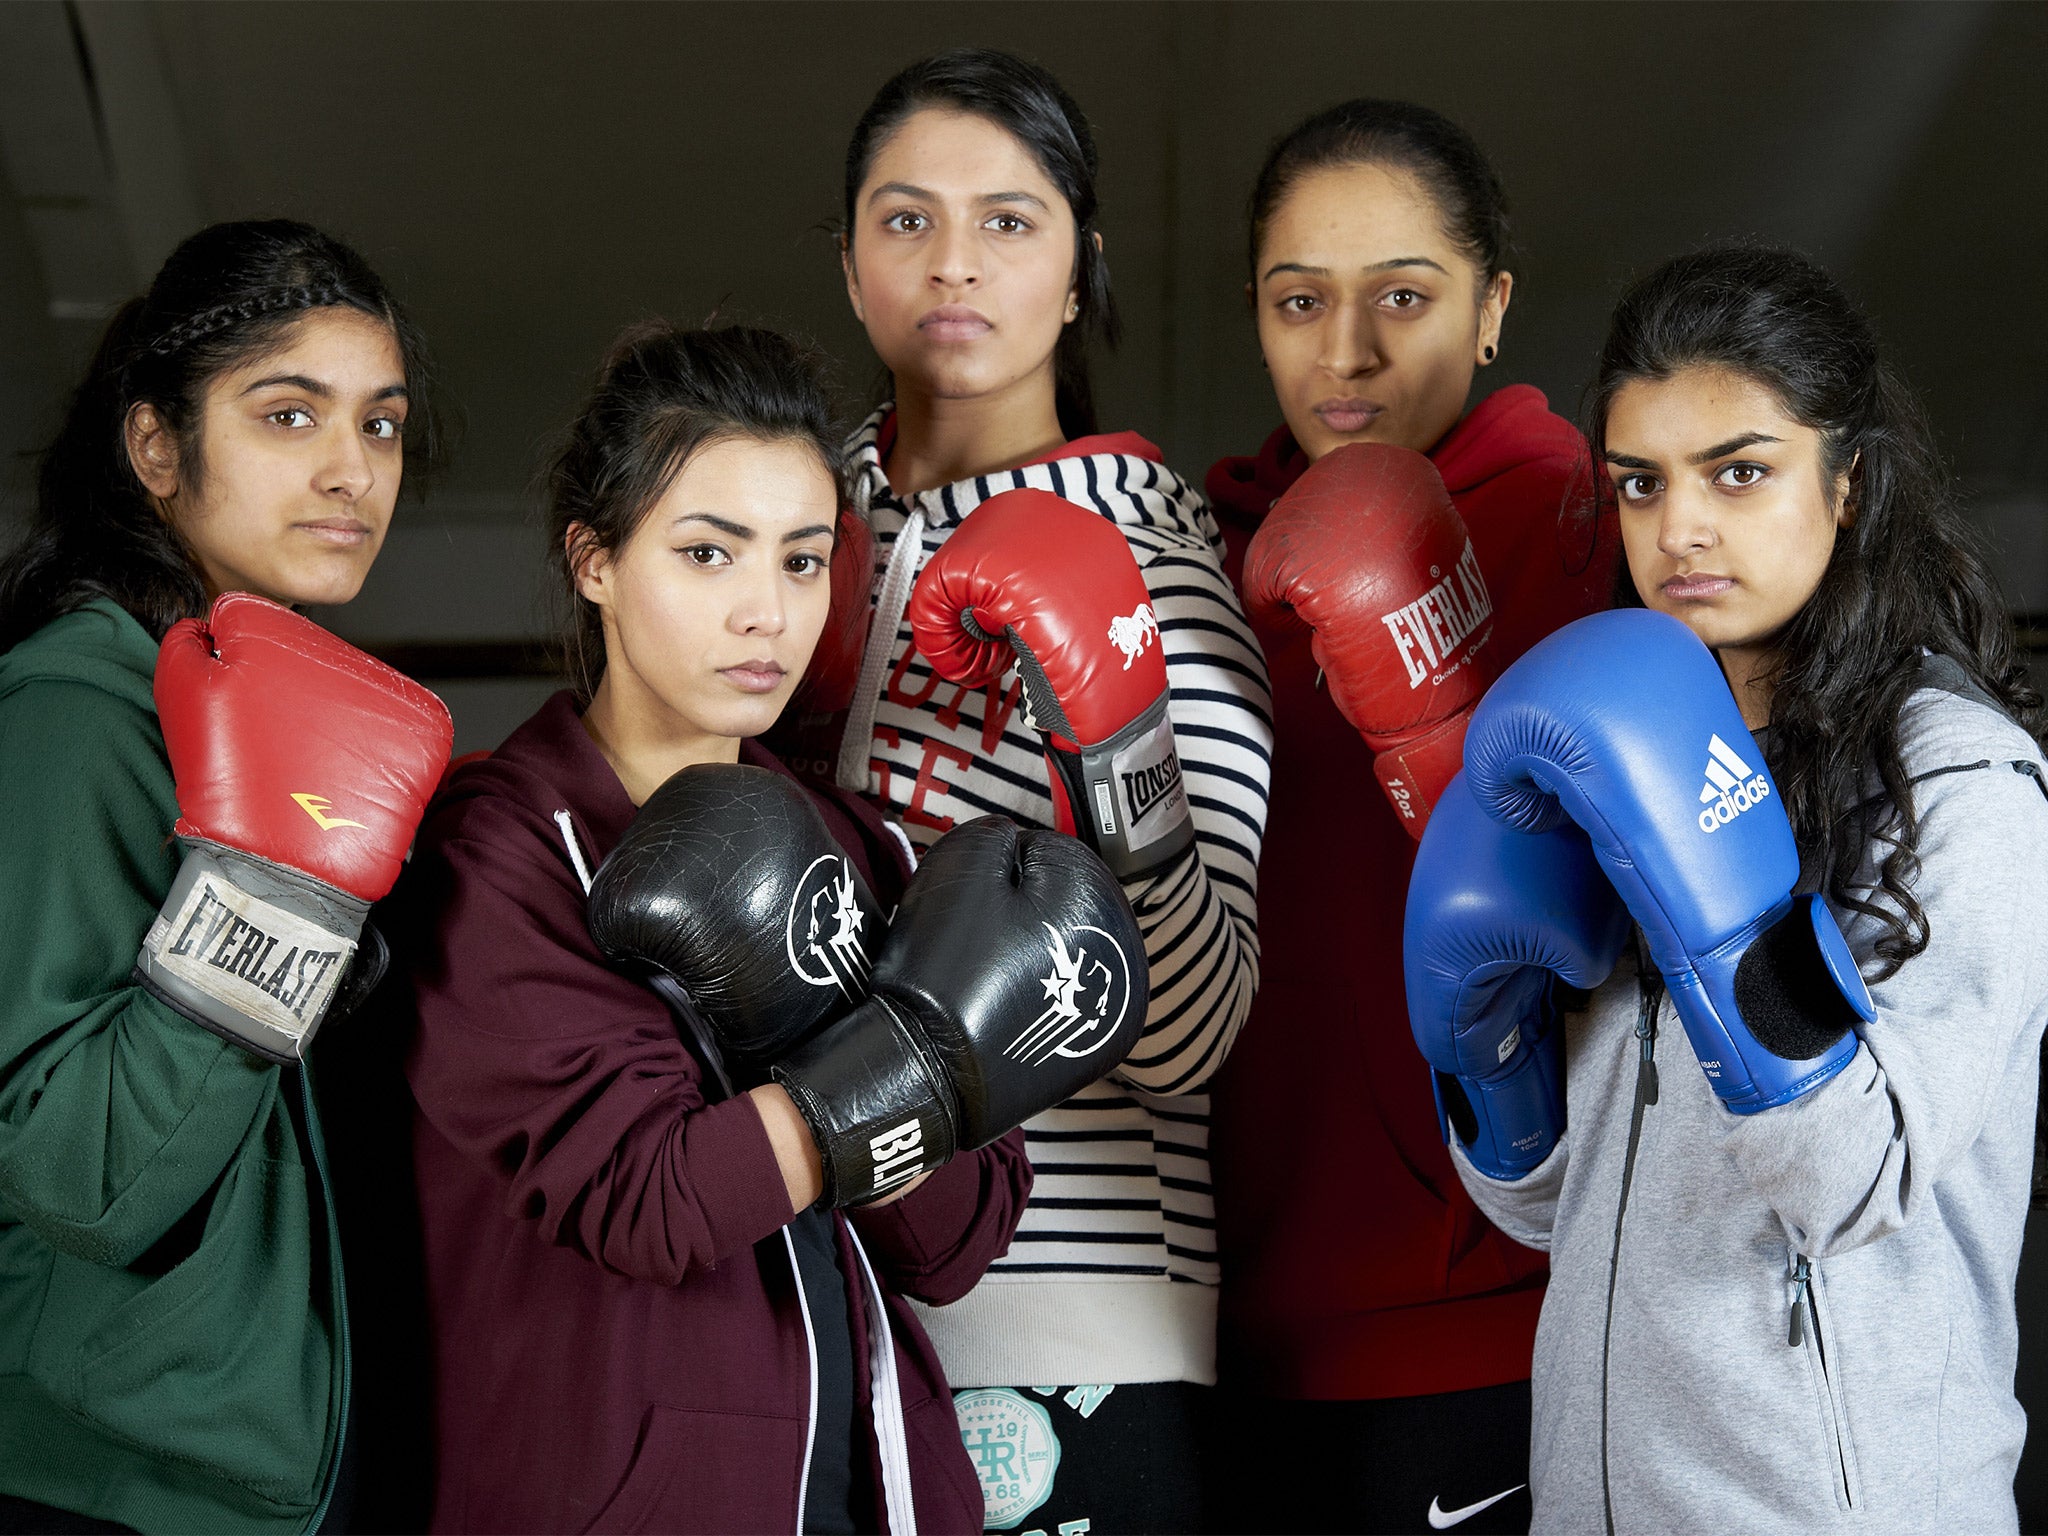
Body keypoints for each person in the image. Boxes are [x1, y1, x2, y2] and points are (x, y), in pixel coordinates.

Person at [1413, 244, 2048, 1532]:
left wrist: (1726, 915)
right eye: (1638, 484)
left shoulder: (1961, 785)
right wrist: (1486, 1055)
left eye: (1738, 472)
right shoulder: (1602, 753)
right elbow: (1541, 1212)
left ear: (1850, 481)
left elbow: (1851, 1187)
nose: (1679, 529)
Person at [392, 321, 1052, 1534]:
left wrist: (836, 1049)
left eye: (803, 564)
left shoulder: (862, 845)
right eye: (709, 554)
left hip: (878, 1495)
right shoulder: (499, 855)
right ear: (593, 561)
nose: (766, 614)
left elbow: (952, 1244)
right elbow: (651, 1201)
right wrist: (904, 1069)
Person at [798, 47, 1272, 1535]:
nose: (954, 262)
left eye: (1010, 220)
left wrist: (1113, 740)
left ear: (1081, 272)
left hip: (1063, 1333)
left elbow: (1195, 1030)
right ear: (851, 263)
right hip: (794, 1301)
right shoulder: (774, 522)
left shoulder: (1155, 559)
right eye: (906, 217)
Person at [1204, 99, 1614, 1533]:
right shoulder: (1206, 558)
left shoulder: (1595, 531)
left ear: (1493, 306)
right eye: (1299, 300)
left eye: (1404, 296)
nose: (1348, 351)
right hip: (1227, 1322)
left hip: (1483, 1305)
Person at [0, 220, 445, 1534]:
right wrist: (283, 897)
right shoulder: (75, 707)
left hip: (253, 1471)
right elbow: (77, 1174)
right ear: (157, 447)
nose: (348, 470)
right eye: (288, 415)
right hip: (102, 1484)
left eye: (381, 424)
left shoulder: (281, 720)